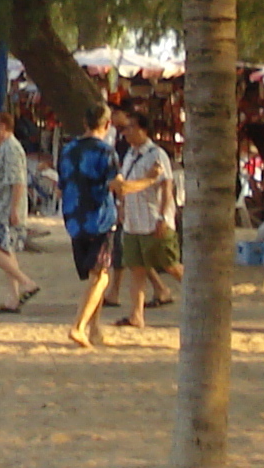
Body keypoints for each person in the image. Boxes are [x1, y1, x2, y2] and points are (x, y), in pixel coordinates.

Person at [110, 107, 183, 329]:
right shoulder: (130, 154)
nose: (126, 133)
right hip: (134, 221)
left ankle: (202, 295)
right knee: (137, 269)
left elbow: (166, 186)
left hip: (152, 219)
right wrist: (122, 207)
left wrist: (162, 216)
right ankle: (136, 315)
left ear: (143, 130)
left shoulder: (157, 155)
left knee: (170, 264)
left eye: (131, 128)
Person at [58, 101, 121, 350]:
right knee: (101, 278)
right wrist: (148, 180)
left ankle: (95, 329)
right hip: (99, 218)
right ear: (107, 125)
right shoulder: (105, 152)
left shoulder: (68, 150)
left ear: (85, 123)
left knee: (95, 275)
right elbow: (117, 185)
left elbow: (61, 186)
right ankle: (79, 326)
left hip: (74, 218)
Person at [0, 109, 41, 313]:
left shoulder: (12, 149)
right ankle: (13, 298)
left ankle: (27, 282)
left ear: (3, 127)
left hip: (4, 211)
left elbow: (18, 181)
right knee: (5, 251)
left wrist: (14, 209)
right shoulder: (2, 148)